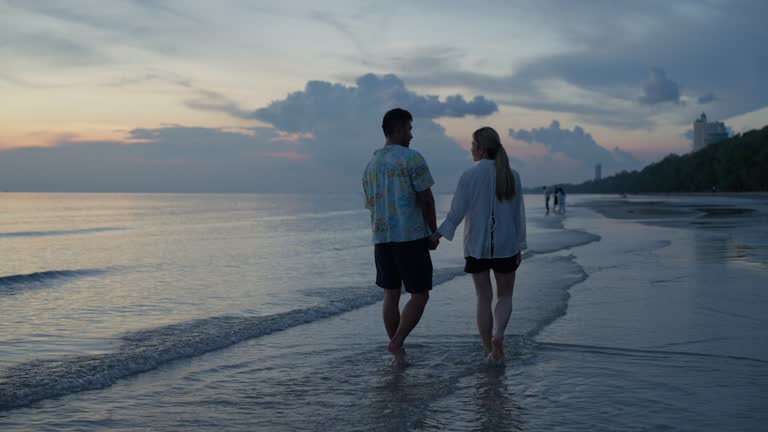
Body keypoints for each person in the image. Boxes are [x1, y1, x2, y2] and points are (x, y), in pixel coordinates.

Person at [430, 127, 526, 363]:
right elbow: (518, 215)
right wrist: (520, 245)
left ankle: (488, 350)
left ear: (481, 148)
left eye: (472, 144)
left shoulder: (469, 176)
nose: (470, 148)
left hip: (476, 247)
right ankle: (499, 336)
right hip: (506, 246)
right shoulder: (512, 175)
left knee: (483, 297)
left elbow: (456, 214)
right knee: (505, 296)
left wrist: (437, 236)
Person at [363, 107, 439, 367]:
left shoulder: (370, 166)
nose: (411, 135)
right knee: (420, 294)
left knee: (390, 294)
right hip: (410, 236)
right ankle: (397, 341)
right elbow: (426, 199)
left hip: (381, 238)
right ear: (396, 129)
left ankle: (399, 353)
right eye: (409, 129)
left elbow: (371, 205)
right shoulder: (412, 158)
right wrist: (432, 231)